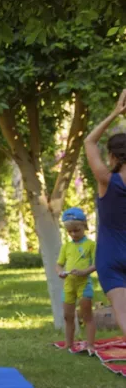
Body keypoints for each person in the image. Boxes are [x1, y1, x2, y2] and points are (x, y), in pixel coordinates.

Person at [85, 88, 126, 336]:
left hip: (110, 255)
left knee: (123, 312)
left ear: (111, 156)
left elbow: (89, 142)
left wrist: (115, 113)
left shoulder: (106, 180)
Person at [56, 208, 97, 355]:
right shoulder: (66, 246)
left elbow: (96, 264)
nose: (73, 234)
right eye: (70, 232)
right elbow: (59, 264)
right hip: (69, 285)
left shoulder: (91, 245)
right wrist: (60, 272)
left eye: (77, 230)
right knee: (68, 316)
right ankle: (68, 343)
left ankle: (90, 344)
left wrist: (84, 272)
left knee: (86, 316)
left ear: (84, 226)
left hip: (84, 284)